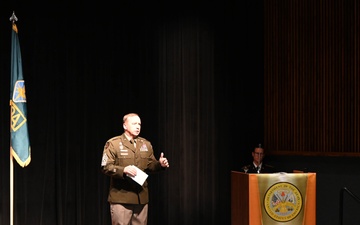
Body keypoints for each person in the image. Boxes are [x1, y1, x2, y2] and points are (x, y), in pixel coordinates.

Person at [101, 113, 170, 225]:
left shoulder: (146, 144)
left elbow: (150, 165)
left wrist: (159, 164)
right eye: (134, 123)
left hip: (141, 198)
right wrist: (123, 170)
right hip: (121, 198)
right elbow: (106, 167)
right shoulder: (113, 143)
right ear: (125, 126)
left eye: (139, 124)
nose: (138, 126)